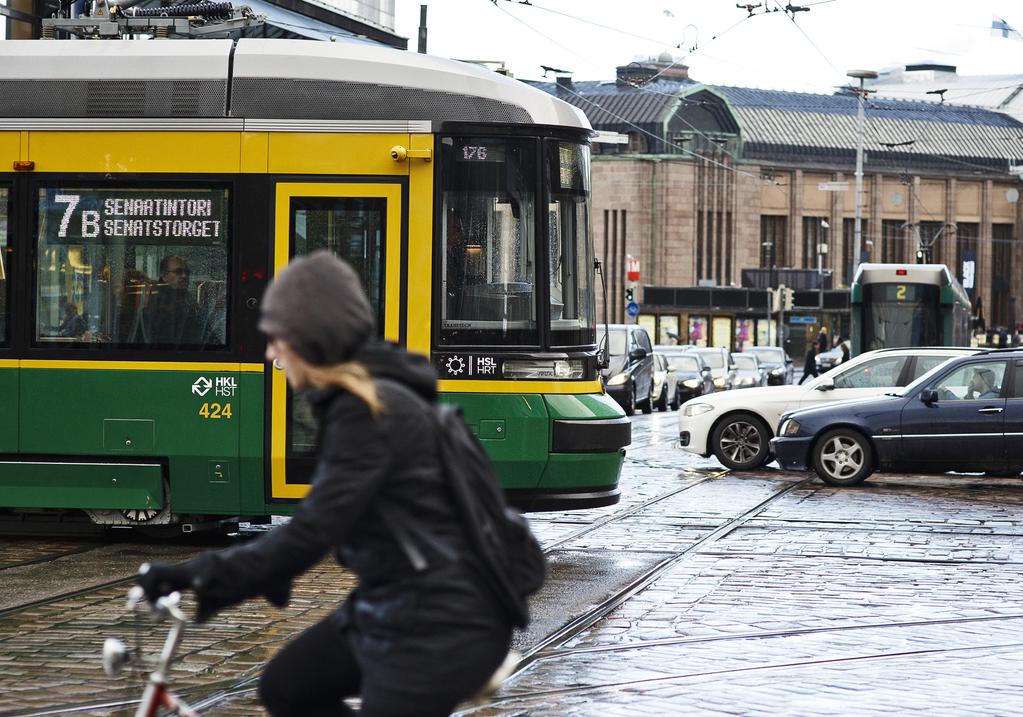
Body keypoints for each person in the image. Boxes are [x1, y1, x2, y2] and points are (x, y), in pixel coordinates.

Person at [136, 251, 514, 717]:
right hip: (395, 603)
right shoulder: (365, 398)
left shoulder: (368, 411)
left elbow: (311, 531)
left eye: (276, 338)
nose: (271, 353)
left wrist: (197, 572)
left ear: (308, 339)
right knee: (287, 687)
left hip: (439, 622)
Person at [146, 255, 203, 346]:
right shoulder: (155, 301)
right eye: (178, 272)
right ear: (164, 275)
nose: (184, 276)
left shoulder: (187, 299)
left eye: (187, 272)